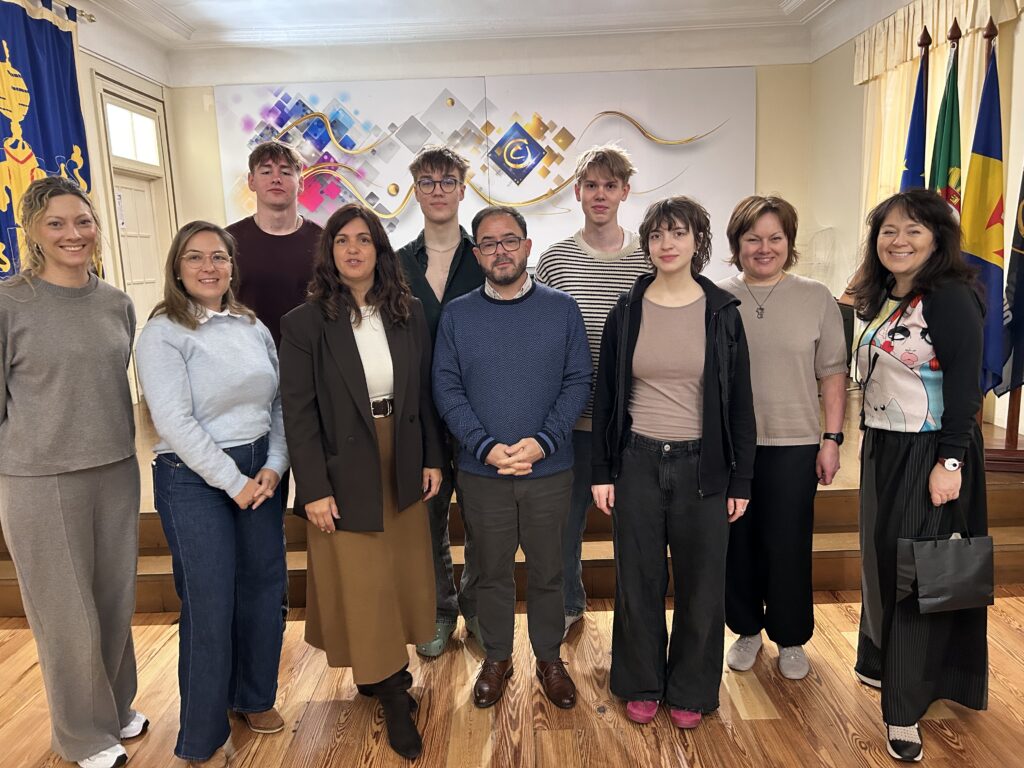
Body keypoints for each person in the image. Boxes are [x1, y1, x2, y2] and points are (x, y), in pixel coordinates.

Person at [279, 204, 443, 760]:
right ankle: (394, 689)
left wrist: (432, 457)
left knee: (400, 570)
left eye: (364, 240)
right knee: (364, 577)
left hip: (402, 449)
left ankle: (381, 673)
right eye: (342, 240)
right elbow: (298, 413)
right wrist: (313, 488)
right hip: (343, 461)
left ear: (380, 250)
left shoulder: (408, 312)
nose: (353, 249)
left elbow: (424, 392)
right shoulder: (305, 323)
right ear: (329, 252)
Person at [591, 196, 755, 729]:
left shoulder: (722, 313)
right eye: (657, 235)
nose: (667, 244)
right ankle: (641, 681)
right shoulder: (626, 310)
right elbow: (607, 396)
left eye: (678, 233)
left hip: (702, 467)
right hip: (637, 461)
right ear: (647, 244)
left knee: (701, 585)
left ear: (697, 241)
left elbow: (740, 403)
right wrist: (602, 471)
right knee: (637, 580)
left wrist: (741, 479)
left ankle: (690, 689)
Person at [0, 177, 145, 768]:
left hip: (116, 468)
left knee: (114, 600)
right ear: (32, 231)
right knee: (65, 615)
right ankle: (83, 735)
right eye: (56, 223)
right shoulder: (9, 304)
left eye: (82, 221)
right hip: (40, 478)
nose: (73, 234)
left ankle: (115, 708)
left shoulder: (116, 303)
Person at [136, 221, 289, 767]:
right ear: (177, 268)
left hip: (259, 471)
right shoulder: (163, 333)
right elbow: (173, 421)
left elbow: (278, 403)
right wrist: (233, 481)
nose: (209, 267)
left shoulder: (251, 325)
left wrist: (274, 466)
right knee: (210, 602)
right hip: (193, 477)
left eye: (219, 257)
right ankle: (202, 737)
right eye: (195, 257)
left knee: (264, 590)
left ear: (231, 265)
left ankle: (254, 697)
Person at [432, 205, 590, 710]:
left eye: (509, 240)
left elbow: (577, 382)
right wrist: (485, 446)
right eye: (488, 243)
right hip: (483, 471)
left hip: (549, 468)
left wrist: (543, 442)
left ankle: (549, 658)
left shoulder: (562, 309)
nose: (500, 251)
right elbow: (447, 387)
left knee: (549, 570)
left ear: (526, 246)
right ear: (476, 253)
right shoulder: (458, 315)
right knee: (491, 571)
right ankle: (497, 657)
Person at [850, 188, 987, 762]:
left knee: (914, 576)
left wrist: (950, 464)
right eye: (888, 230)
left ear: (937, 238)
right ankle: (882, 661)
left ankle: (904, 711)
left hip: (931, 452)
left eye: (913, 230)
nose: (898, 240)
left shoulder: (951, 297)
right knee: (882, 562)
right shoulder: (885, 294)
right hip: (883, 447)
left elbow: (965, 388)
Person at [718, 195, 848, 680]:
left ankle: (791, 638)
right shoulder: (715, 296)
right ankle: (746, 629)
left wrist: (831, 438)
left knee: (788, 544)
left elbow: (832, 373)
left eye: (775, 238)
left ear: (789, 243)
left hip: (795, 442)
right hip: (732, 445)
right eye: (753, 238)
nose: (764, 248)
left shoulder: (815, 296)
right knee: (738, 543)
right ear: (737, 243)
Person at [535, 143, 650, 638]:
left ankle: (637, 614)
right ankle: (568, 601)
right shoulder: (555, 260)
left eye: (610, 185)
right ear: (577, 192)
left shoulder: (649, 257)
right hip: (572, 420)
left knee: (636, 526)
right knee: (565, 524)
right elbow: (540, 338)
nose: (600, 194)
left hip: (635, 420)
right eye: (591, 185)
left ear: (625, 191)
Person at [397, 145, 485, 656]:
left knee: (481, 517)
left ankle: (478, 608)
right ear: (415, 191)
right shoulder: (396, 263)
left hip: (479, 412)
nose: (437, 190)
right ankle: (439, 610)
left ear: (462, 189)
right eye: (427, 182)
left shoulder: (485, 256)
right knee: (428, 519)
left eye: (447, 181)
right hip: (417, 413)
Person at [226, 139, 322, 348]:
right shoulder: (228, 241)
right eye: (266, 172)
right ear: (251, 181)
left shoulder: (323, 242)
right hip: (247, 355)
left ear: (301, 183)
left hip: (311, 357)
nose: (276, 179)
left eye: (286, 172)